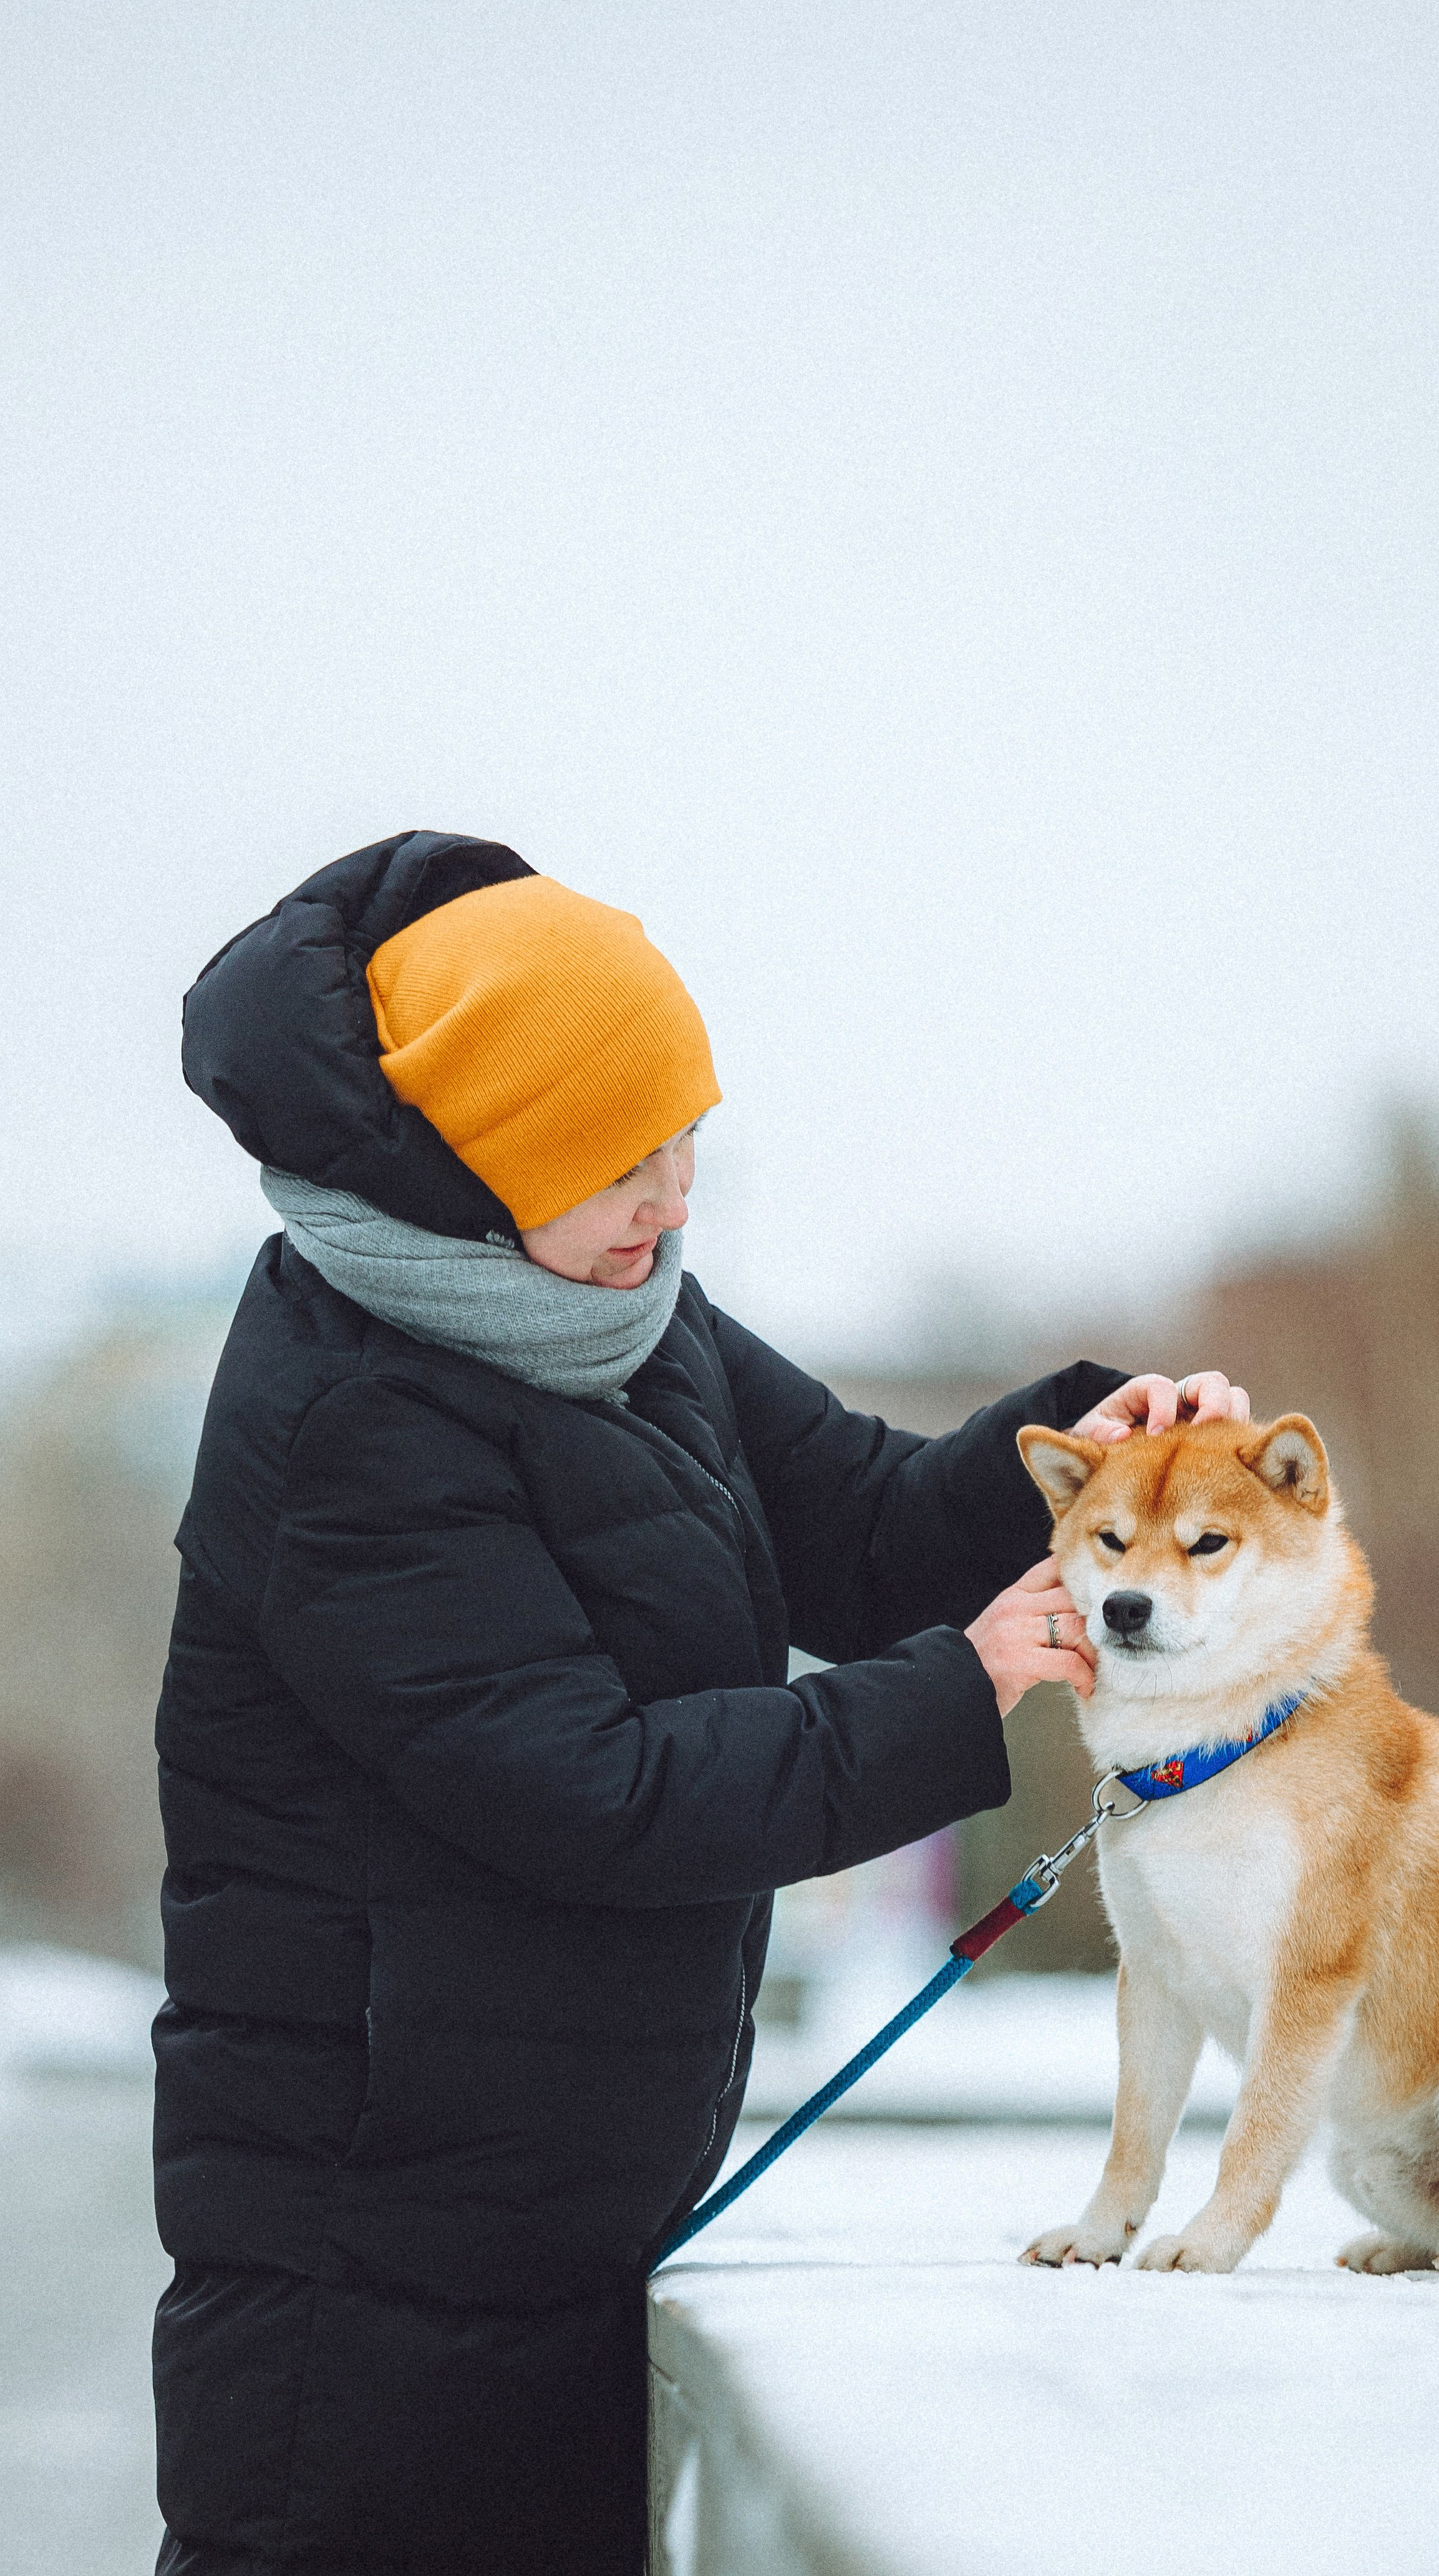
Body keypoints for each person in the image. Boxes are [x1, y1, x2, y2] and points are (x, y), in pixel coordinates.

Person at [152, 830, 1247, 2576]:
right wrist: (958, 1687)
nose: (669, 1203)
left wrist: (1087, 1448)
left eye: (682, 1146)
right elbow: (592, 1791)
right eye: (618, 1166)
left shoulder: (623, 1321)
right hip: (368, 2284)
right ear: (473, 1170)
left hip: (550, 2235)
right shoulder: (350, 1419)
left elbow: (865, 1529)